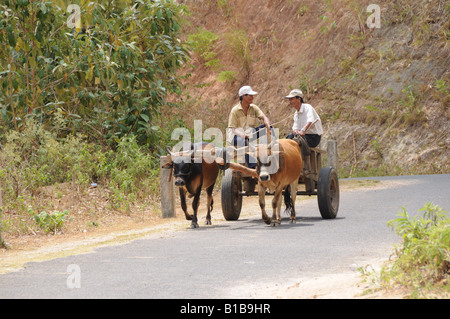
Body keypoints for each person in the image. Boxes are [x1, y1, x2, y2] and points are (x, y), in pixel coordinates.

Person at [226, 86, 271, 168]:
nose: (252, 97)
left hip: (250, 134)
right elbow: (233, 129)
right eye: (250, 95)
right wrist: (242, 134)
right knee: (243, 141)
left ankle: (269, 155)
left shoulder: (253, 108)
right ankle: (253, 166)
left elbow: (264, 117)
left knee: (267, 129)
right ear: (244, 96)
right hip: (236, 136)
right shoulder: (235, 111)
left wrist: (267, 124)